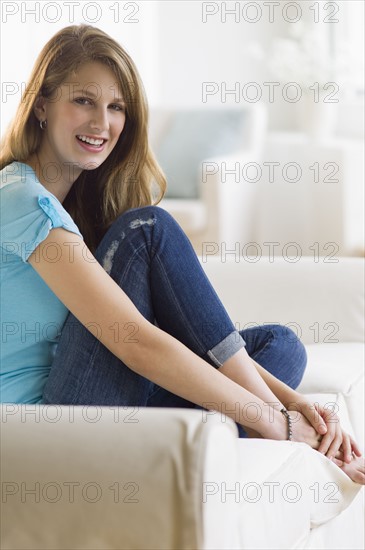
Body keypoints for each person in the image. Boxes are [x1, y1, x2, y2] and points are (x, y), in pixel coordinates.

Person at [0, 24, 363, 484]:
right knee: (147, 230)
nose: (101, 124)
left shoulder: (71, 211)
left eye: (117, 108)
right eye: (83, 101)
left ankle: (215, 432)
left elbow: (174, 334)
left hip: (99, 401)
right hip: (48, 433)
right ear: (41, 105)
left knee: (279, 347)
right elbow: (135, 341)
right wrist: (280, 422)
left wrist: (292, 402)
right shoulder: (21, 200)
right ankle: (256, 429)